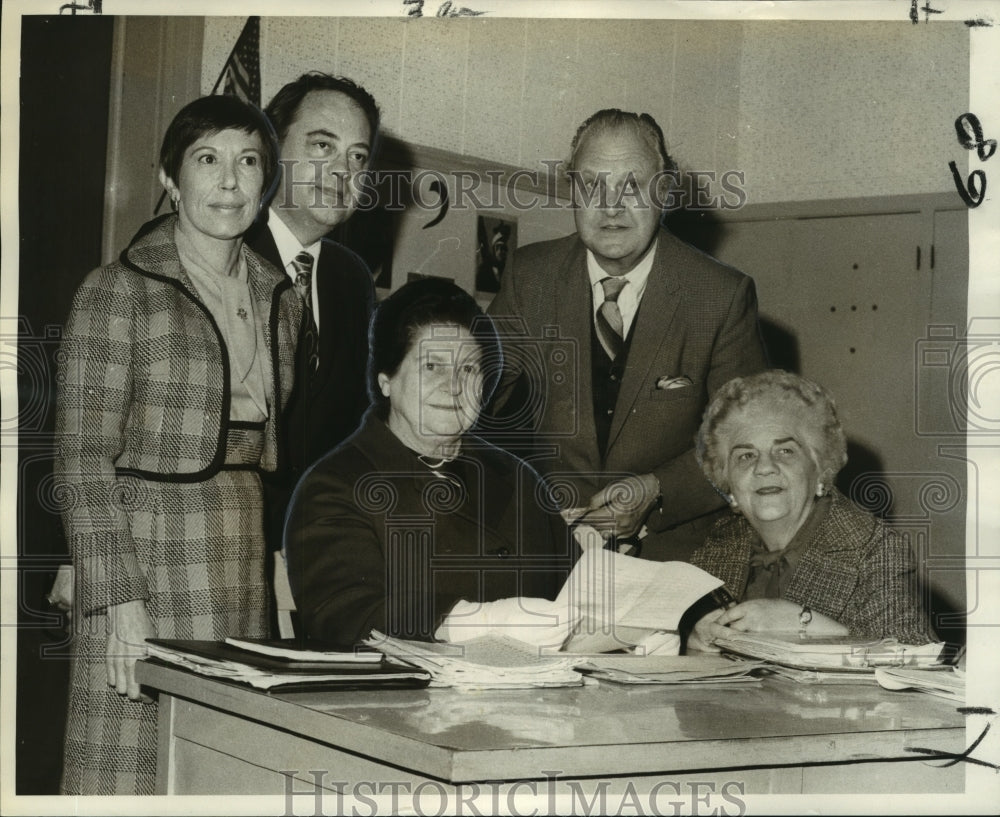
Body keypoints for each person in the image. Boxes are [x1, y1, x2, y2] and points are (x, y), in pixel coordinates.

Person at [54, 95, 301, 795]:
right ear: (169, 177)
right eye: (207, 160)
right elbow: (80, 460)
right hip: (145, 560)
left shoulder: (278, 295)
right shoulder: (117, 290)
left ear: (266, 181)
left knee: (218, 770)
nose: (230, 181)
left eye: (248, 161)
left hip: (239, 555)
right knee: (127, 772)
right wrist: (118, 601)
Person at [487, 108, 767, 563]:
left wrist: (656, 491)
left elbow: (747, 441)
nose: (611, 205)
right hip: (550, 544)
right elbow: (479, 408)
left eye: (633, 185)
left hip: (676, 554)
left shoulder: (720, 295)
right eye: (592, 185)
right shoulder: (529, 277)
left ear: (666, 193)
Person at [285, 279, 577, 647]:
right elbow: (345, 616)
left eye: (469, 370)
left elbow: (580, 592)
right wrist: (477, 622)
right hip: (408, 698)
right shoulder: (334, 486)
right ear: (386, 379)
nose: (453, 386)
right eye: (433, 366)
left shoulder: (519, 477)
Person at [687, 370, 937, 651]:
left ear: (819, 469)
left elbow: (914, 657)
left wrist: (803, 622)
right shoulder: (717, 546)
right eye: (745, 456)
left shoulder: (873, 548)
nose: (764, 466)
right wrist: (689, 640)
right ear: (728, 483)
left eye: (785, 451)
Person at [246, 73, 379, 552]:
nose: (343, 171)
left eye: (358, 157)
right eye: (323, 146)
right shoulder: (216, 249)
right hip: (207, 549)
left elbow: (355, 424)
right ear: (271, 148)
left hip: (311, 551)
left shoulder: (352, 279)